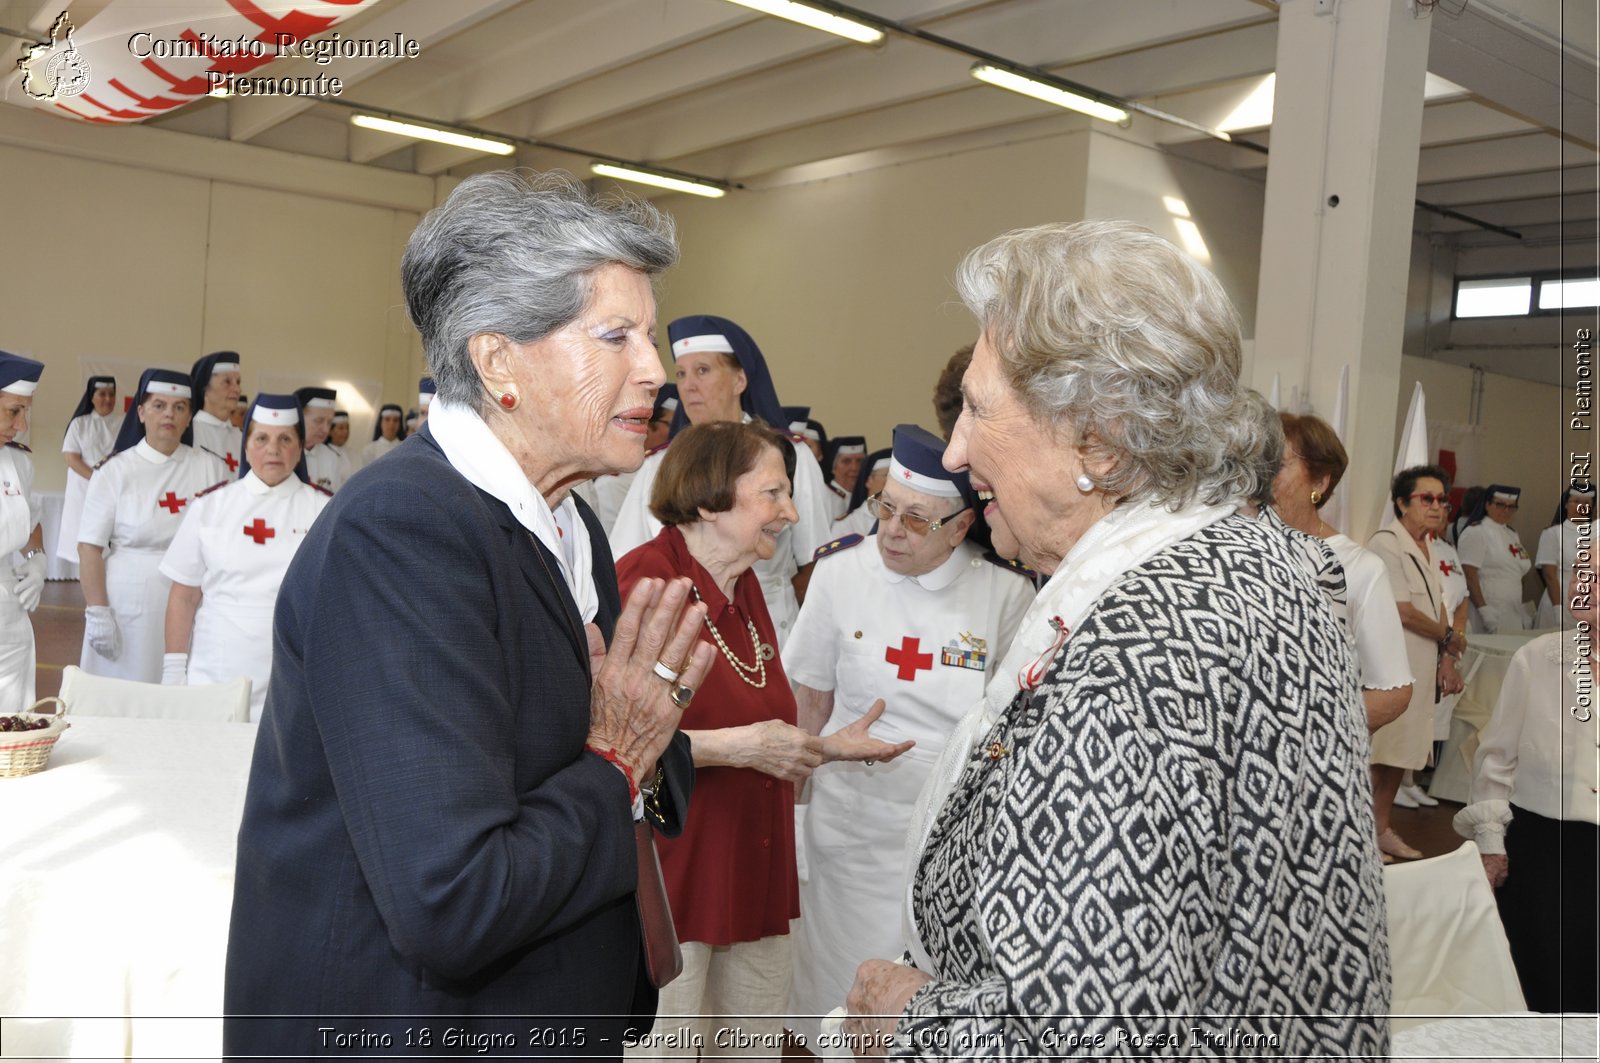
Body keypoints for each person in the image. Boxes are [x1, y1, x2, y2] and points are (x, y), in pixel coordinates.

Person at [843, 221, 1389, 1056]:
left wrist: (907, 1021)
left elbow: (1078, 1041)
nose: (954, 449)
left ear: (1096, 438)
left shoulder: (1140, 645)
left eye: (980, 410)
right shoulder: (1261, 560)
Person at [224, 170, 710, 1056]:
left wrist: (639, 743)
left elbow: (638, 741)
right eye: (617, 337)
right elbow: (451, 898)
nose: (656, 370)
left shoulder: (568, 523)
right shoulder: (403, 535)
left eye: (653, 336)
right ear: (499, 363)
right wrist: (616, 760)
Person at [615, 421, 907, 1060]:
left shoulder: (744, 585)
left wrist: (823, 748)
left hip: (754, 875)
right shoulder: (646, 585)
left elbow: (759, 727)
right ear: (709, 498)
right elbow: (613, 742)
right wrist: (740, 748)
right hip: (677, 888)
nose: (793, 513)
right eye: (773, 494)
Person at [784, 423, 1033, 1046]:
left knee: (917, 1016)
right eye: (886, 508)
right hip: (850, 834)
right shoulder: (839, 578)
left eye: (917, 520)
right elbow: (808, 700)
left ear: (960, 527)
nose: (892, 529)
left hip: (946, 846)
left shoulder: (1004, 594)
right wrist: (789, 810)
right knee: (831, 1004)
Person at [610, 315, 833, 649]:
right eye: (681, 373)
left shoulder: (792, 457)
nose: (688, 385)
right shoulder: (658, 465)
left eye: (703, 370)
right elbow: (626, 562)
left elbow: (814, 569)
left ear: (740, 379)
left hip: (769, 635)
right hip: (680, 635)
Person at [1453, 554, 1599, 1013]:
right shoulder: (1538, 658)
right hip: (1546, 847)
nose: (1581, 583)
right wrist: (1491, 842)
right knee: (1543, 985)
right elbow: (1496, 758)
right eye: (1579, 572)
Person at [159, 394, 331, 720]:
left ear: (299, 446)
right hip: (216, 667)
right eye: (262, 438)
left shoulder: (324, 510)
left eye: (285, 439)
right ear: (246, 443)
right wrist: (173, 668)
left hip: (293, 671)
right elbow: (183, 596)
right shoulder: (211, 506)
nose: (273, 449)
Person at [77, 369, 229, 682]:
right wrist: (97, 611)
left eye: (179, 407)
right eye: (159, 405)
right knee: (123, 689)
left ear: (190, 417)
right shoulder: (115, 471)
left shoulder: (212, 468)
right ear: (142, 412)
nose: (169, 415)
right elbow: (89, 546)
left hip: (194, 597)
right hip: (127, 603)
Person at [1272, 413, 1414, 734]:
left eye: (1277, 465)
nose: (1261, 477)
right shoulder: (1234, 551)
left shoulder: (1359, 567)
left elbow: (1393, 691)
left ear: (1320, 482)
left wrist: (1315, 736)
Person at [1366, 465, 1459, 861]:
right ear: (1402, 503)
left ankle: (1381, 830)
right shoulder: (1387, 543)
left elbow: (1436, 605)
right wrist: (1450, 637)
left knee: (1398, 762)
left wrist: (1446, 657)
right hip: (1391, 669)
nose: (1436, 506)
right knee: (1380, 757)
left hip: (1420, 666)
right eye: (1427, 498)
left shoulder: (1430, 545)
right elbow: (1403, 611)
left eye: (1442, 500)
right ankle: (1362, 836)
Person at [0, 351, 46, 714]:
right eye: (13, 411)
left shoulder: (19, 464)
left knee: (11, 715)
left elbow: (30, 523)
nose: (21, 425)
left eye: (25, 411)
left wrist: (36, 559)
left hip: (8, 609)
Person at [54, 374, 122, 566]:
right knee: (85, 542)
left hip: (115, 489)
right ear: (92, 397)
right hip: (84, 489)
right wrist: (97, 480)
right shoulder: (79, 424)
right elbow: (71, 458)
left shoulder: (124, 424)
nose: (107, 399)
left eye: (111, 394)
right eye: (102, 394)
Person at [1458, 484, 1532, 632]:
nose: (1506, 511)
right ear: (1487, 505)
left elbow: (1518, 573)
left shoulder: (1512, 534)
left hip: (1513, 610)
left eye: (1511, 507)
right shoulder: (1476, 532)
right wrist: (1484, 611)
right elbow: (1469, 574)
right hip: (1488, 610)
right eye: (1500, 505)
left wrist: (1523, 608)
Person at [1535, 484, 1594, 628]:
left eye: (1587, 503)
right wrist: (1558, 609)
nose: (1581, 506)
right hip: (1559, 600)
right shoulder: (1553, 533)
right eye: (1576, 501)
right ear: (1566, 504)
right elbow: (1549, 575)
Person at [188, 351, 244, 474]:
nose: (237, 389)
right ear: (205, 389)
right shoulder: (190, 433)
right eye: (227, 382)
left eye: (238, 382)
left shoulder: (241, 437)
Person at [294, 385, 351, 494]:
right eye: (319, 421)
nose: (326, 429)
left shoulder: (332, 458)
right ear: (299, 418)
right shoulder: (283, 456)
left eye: (329, 422)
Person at [828, 447, 890, 540]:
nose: (894, 483)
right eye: (887, 475)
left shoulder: (906, 520)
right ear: (869, 480)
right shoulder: (846, 525)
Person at [822, 435, 866, 520]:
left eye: (860, 461)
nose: (854, 468)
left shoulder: (867, 497)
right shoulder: (823, 498)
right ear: (833, 467)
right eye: (847, 461)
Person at [361, 402, 406, 467]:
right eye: (387, 419)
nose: (391, 424)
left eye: (395, 420)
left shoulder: (406, 448)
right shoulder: (369, 450)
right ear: (380, 422)